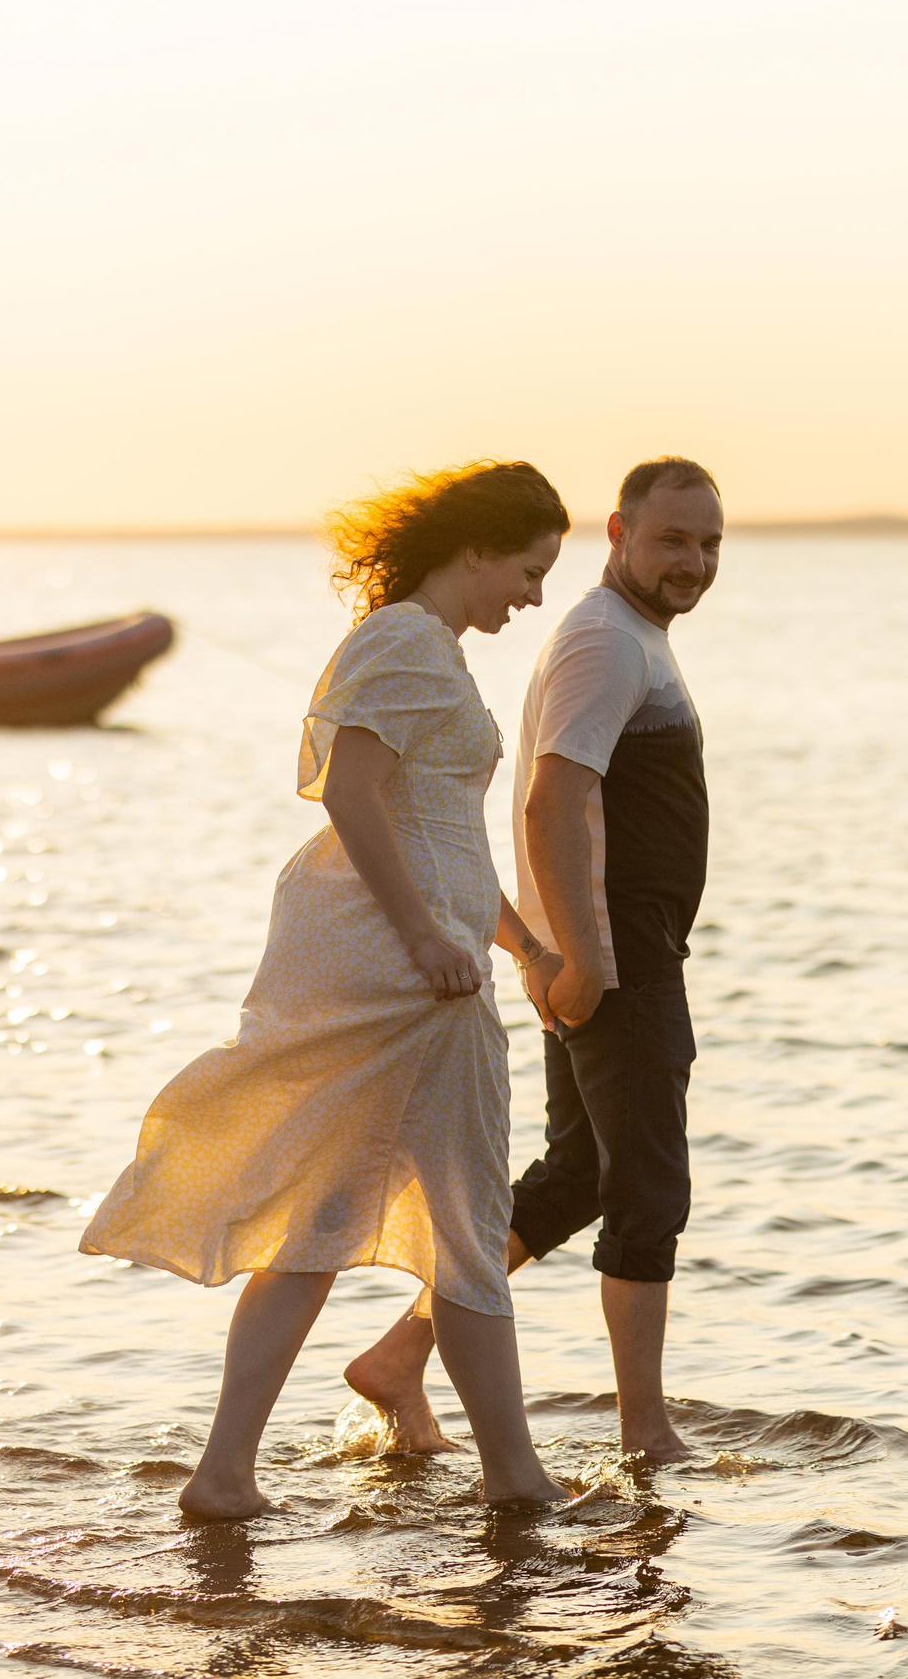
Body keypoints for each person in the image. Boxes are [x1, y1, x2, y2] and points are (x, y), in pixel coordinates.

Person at [78, 460, 577, 1519]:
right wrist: (429, 937)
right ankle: (515, 1478)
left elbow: (441, 828)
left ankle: (224, 1477)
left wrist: (523, 943)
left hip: (425, 955)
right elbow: (355, 795)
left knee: (320, 1224)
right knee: (469, 1217)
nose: (533, 597)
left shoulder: (423, 645)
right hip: (414, 978)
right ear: (479, 546)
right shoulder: (405, 639)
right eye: (529, 571)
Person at [341, 456, 723, 1466]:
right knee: (647, 1186)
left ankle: (397, 1354)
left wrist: (552, 950)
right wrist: (582, 958)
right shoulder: (605, 642)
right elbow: (555, 799)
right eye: (673, 540)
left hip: (606, 948)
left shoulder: (626, 638)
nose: (693, 561)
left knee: (581, 1174)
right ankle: (647, 1433)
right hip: (619, 956)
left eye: (709, 544)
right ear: (620, 532)